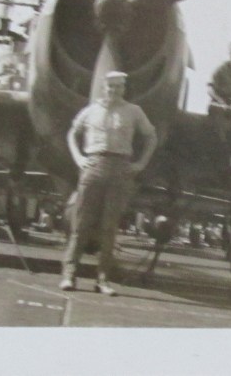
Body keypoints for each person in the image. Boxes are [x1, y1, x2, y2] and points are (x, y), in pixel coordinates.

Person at [60, 71, 158, 295]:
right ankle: (69, 275)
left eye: (118, 87)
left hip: (121, 168)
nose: (114, 91)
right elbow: (72, 133)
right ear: (104, 87)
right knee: (81, 224)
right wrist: (78, 158)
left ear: (124, 89)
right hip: (93, 165)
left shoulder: (134, 111)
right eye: (110, 86)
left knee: (109, 227)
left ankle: (103, 280)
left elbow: (151, 136)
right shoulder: (91, 110)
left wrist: (141, 163)